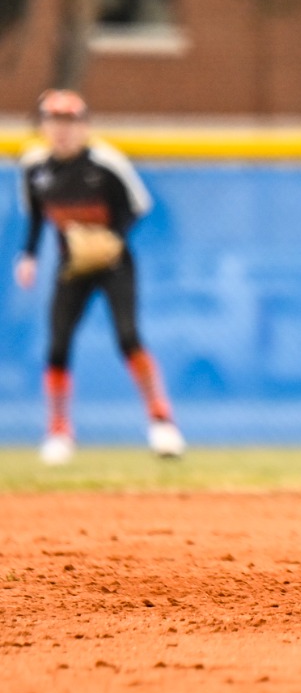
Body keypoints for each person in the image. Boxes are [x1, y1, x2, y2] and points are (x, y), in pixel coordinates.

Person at [15, 90, 183, 465]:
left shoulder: (106, 163)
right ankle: (59, 431)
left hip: (113, 264)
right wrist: (28, 256)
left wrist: (111, 238)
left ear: (84, 126)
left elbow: (137, 207)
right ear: (44, 126)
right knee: (57, 347)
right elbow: (36, 217)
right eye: (55, 121)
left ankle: (162, 421)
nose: (62, 130)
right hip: (71, 265)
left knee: (128, 338)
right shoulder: (34, 168)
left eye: (70, 122)